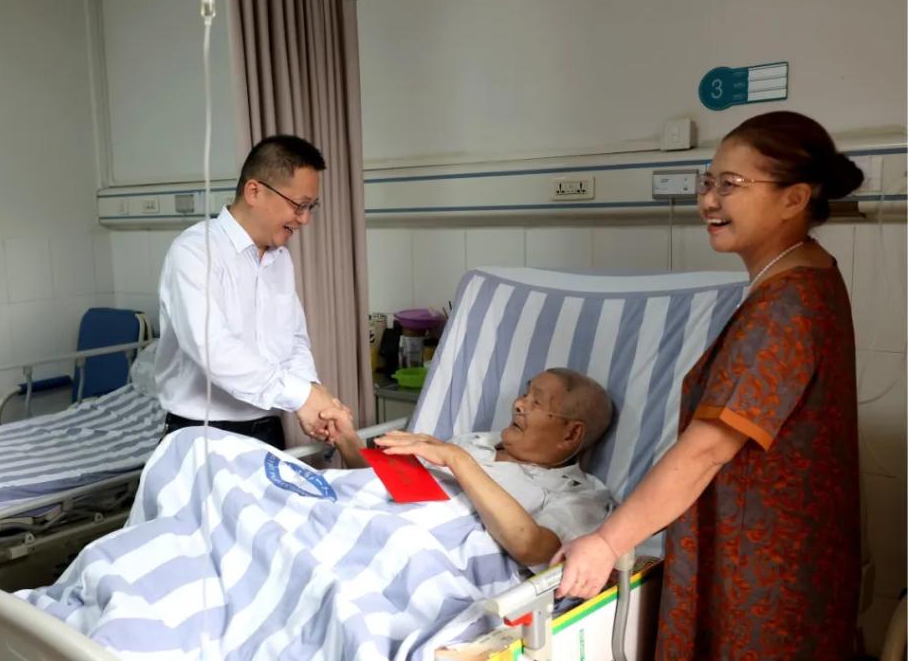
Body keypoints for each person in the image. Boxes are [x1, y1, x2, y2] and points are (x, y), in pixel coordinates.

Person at [553, 111, 863, 660]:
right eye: (708, 181)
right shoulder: (808, 274)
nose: (709, 201)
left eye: (731, 184)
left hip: (763, 571)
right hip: (783, 553)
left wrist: (605, 542)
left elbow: (706, 450)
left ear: (794, 199)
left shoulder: (785, 306)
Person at [155, 135, 342, 448]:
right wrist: (300, 395)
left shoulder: (280, 260)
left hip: (268, 428)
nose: (305, 219)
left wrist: (313, 396)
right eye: (299, 205)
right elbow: (213, 349)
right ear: (254, 191)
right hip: (202, 433)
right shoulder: (195, 252)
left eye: (311, 206)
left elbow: (294, 341)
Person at [322, 368, 616, 567]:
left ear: (571, 434)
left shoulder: (579, 496)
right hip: (357, 518)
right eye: (525, 394)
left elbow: (532, 548)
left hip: (407, 550)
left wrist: (457, 459)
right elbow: (388, 484)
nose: (518, 404)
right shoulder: (476, 441)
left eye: (536, 402)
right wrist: (347, 440)